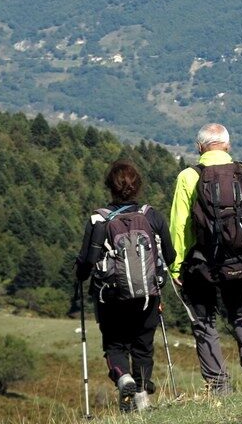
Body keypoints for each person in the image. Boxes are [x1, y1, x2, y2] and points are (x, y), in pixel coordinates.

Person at [168, 123, 242, 394]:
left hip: (202, 263)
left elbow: (179, 226)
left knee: (204, 322)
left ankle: (218, 386)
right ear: (228, 145)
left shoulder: (189, 177)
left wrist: (176, 266)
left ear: (199, 147)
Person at [75, 159, 175, 413]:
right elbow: (171, 256)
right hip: (148, 295)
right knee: (143, 346)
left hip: (111, 299)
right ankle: (141, 398)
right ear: (138, 186)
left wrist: (79, 276)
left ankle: (124, 378)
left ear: (109, 187)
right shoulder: (151, 216)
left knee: (115, 345)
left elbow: (87, 263)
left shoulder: (99, 220)